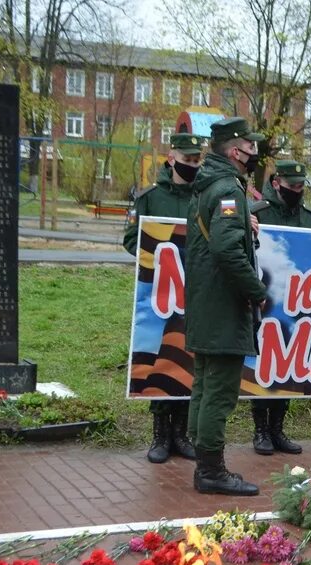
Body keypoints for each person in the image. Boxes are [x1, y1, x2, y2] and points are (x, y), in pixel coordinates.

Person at [184, 116, 267, 496]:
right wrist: (255, 289)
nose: (255, 152)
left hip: (205, 301)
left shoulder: (208, 186)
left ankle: (205, 464)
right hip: (223, 305)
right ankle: (212, 470)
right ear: (236, 151)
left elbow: (215, 237)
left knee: (204, 385)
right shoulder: (228, 190)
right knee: (219, 391)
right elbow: (225, 249)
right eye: (251, 147)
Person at [123, 133, 204, 465]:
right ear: (171, 158)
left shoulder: (204, 196)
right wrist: (154, 254)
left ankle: (181, 434)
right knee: (159, 355)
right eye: (187, 160)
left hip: (198, 291)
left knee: (187, 358)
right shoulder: (150, 198)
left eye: (198, 160)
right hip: (160, 292)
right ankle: (160, 434)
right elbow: (132, 239)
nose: (193, 166)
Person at [249, 160, 311, 456]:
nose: (298, 191)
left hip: (298, 301)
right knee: (265, 362)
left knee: (288, 364)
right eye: (293, 186)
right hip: (264, 298)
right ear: (277, 183)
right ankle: (260, 430)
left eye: (302, 186)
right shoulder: (258, 214)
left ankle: (278, 428)